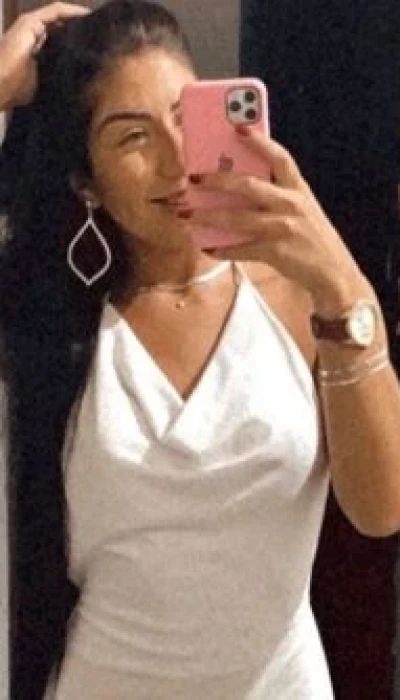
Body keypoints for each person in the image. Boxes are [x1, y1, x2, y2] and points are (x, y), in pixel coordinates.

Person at [1, 1, 400, 698]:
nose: (177, 158)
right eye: (133, 136)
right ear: (85, 180)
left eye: (186, 116)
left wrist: (341, 281)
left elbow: (381, 506)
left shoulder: (298, 294)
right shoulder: (49, 320)